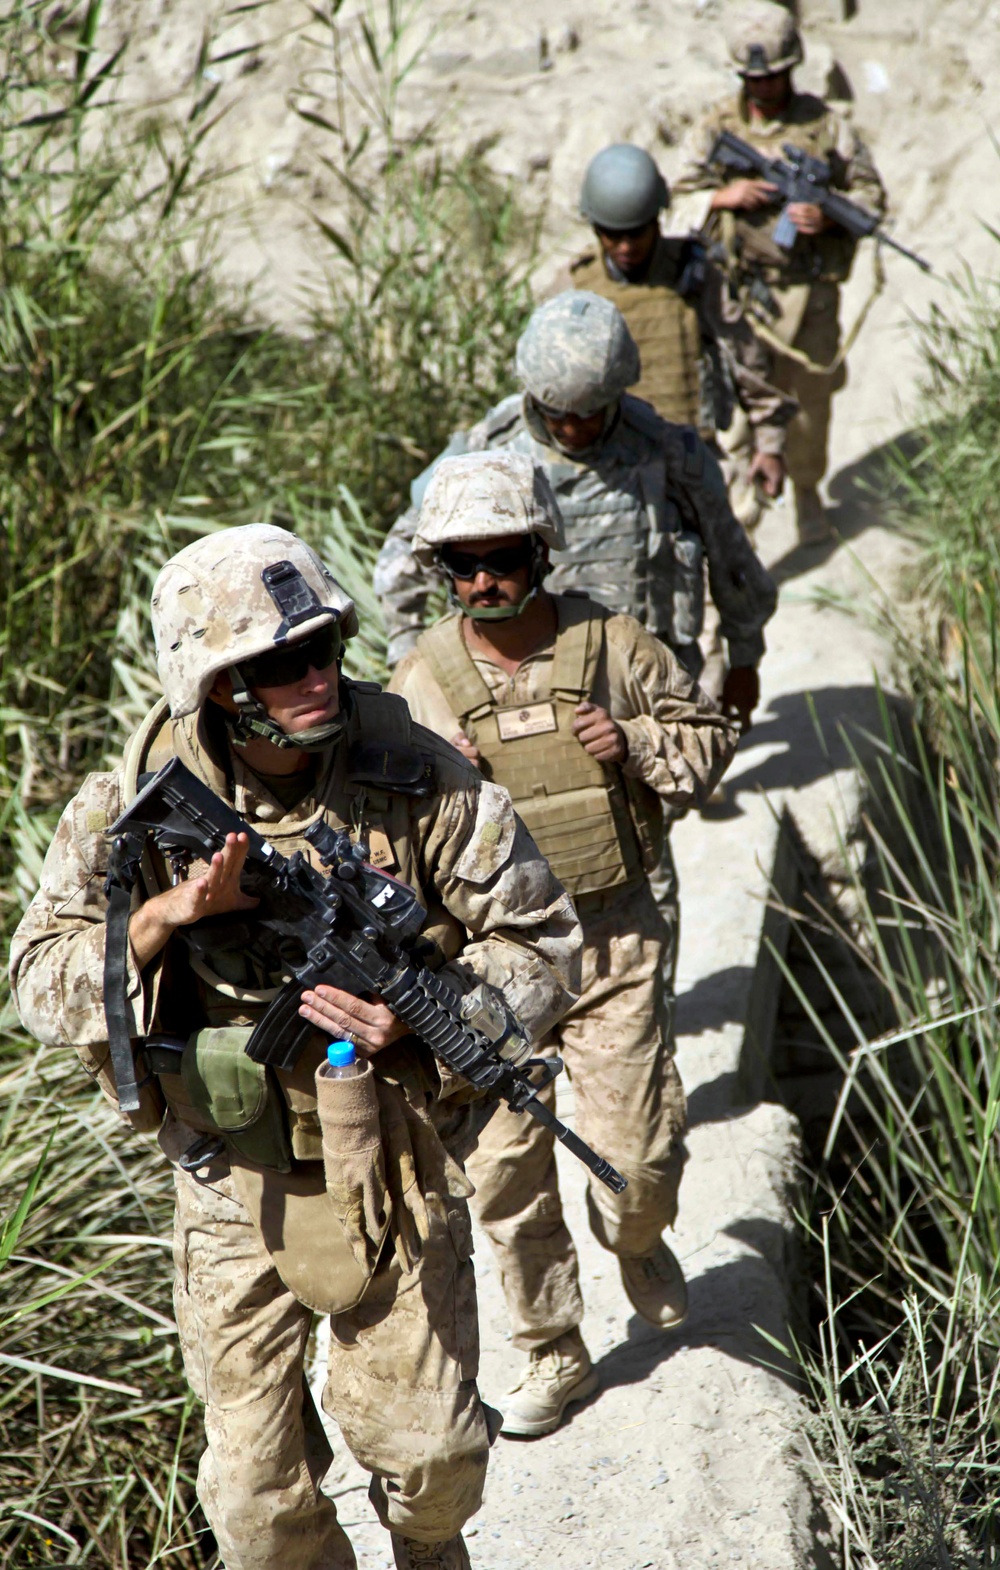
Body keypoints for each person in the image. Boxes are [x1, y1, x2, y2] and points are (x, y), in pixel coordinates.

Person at [9, 524, 583, 1570]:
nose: (315, 677)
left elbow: (544, 943)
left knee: (437, 1458)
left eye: (323, 648)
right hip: (227, 1171)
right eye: (281, 663)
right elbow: (35, 983)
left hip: (391, 1150)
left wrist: (427, 1013)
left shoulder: (420, 778)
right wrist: (165, 916)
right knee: (255, 1511)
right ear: (219, 686)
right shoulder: (128, 808)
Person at [388, 450, 739, 1437]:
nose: (481, 581)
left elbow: (709, 736)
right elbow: (381, 838)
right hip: (490, 965)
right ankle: (553, 1348)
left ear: (538, 552)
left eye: (500, 558)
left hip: (611, 943)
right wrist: (431, 776)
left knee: (638, 1161)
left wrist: (635, 743)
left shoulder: (613, 643)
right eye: (460, 565)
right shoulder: (421, 681)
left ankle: (633, 1235)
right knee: (504, 1172)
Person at [373, 290, 777, 736]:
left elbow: (731, 559)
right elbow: (401, 561)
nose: (570, 427)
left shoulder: (668, 453)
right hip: (529, 689)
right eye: (555, 414)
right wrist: (415, 675)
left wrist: (745, 659)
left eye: (588, 414)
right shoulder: (484, 455)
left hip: (645, 682)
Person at [671, 0, 885, 543]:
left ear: (793, 67)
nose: (764, 87)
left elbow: (870, 197)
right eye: (754, 78)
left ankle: (807, 491)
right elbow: (673, 203)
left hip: (809, 294)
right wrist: (723, 197)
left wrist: (827, 216)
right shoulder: (714, 129)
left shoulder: (827, 128)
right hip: (737, 294)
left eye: (773, 76)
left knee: (810, 407)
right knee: (740, 408)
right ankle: (745, 507)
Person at [564, 140, 797, 526]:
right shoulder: (575, 288)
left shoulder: (695, 275)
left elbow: (747, 363)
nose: (625, 247)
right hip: (611, 468)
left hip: (689, 459)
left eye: (636, 233)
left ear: (658, 220)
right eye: (612, 234)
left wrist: (769, 445)